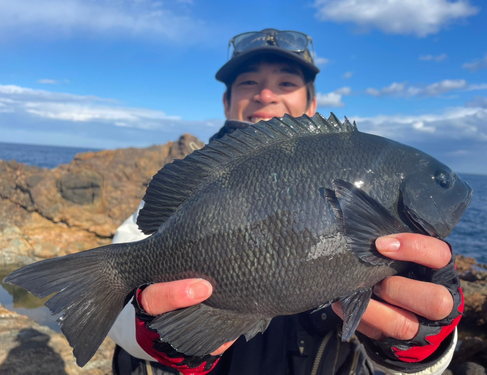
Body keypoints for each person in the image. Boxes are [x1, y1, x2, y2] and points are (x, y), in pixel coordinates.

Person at [108, 29, 463, 375]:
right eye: (248, 82)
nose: (265, 94)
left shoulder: (361, 168)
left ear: (312, 103)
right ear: (226, 102)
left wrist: (417, 342)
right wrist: (160, 331)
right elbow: (113, 316)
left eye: (286, 83)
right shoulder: (193, 193)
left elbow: (387, 362)